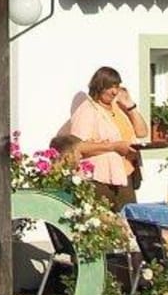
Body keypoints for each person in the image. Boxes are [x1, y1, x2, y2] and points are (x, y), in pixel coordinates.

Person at [57, 66, 145, 207]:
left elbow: (142, 132)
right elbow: (77, 146)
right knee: (106, 218)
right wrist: (113, 147)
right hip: (102, 179)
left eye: (117, 86)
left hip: (125, 174)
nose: (114, 92)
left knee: (130, 217)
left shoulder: (119, 108)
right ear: (99, 86)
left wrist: (130, 106)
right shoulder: (87, 110)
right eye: (110, 87)